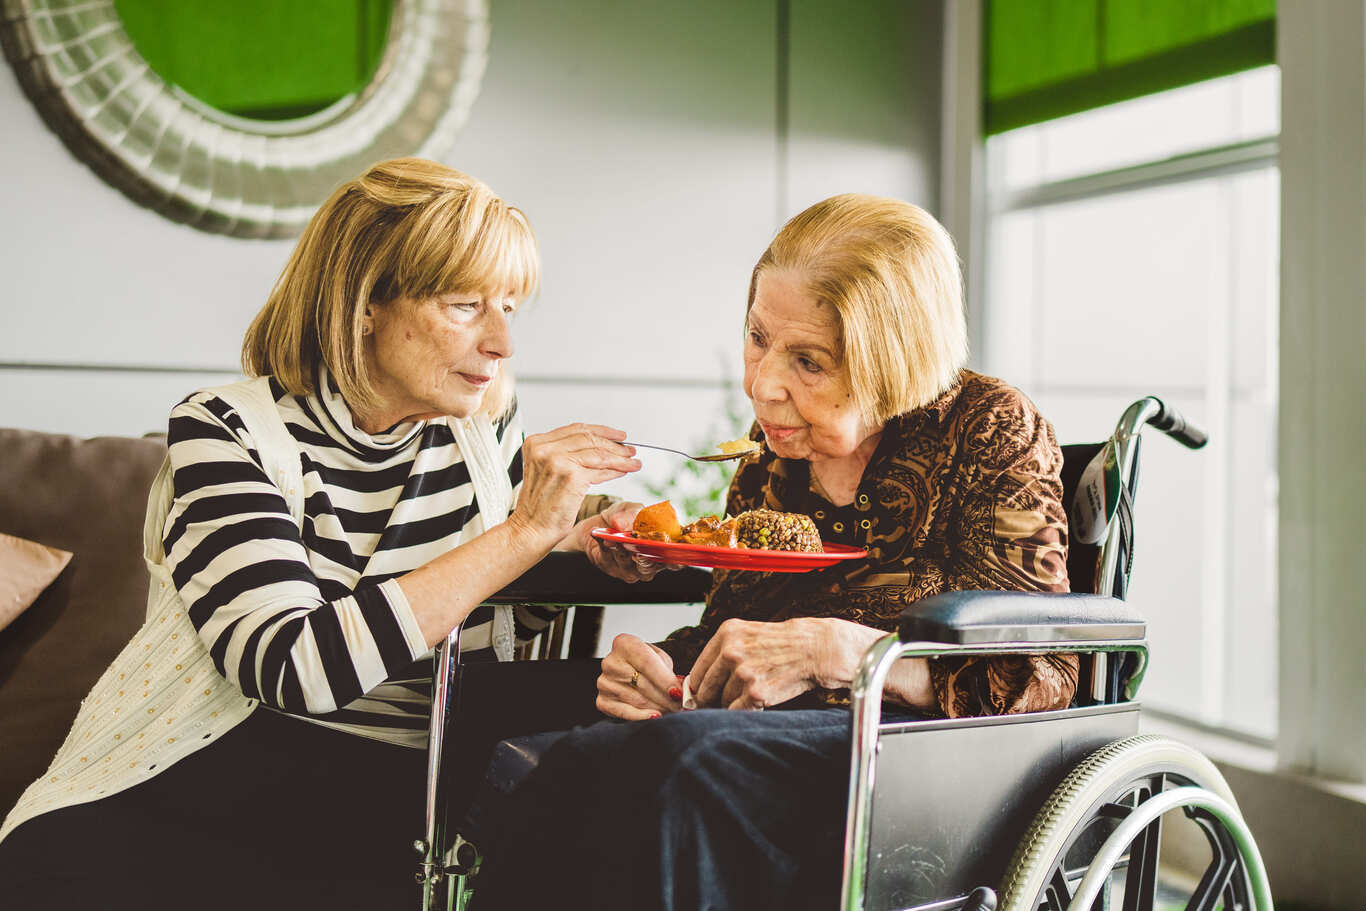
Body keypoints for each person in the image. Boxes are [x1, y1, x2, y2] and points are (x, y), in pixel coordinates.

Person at [0, 158, 654, 909]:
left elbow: (484, 611)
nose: (502, 341)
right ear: (366, 300)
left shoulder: (481, 423)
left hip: (403, 781)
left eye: (510, 305)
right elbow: (292, 667)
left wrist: (584, 546)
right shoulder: (226, 431)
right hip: (192, 780)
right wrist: (524, 534)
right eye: (466, 304)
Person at [469, 194, 1074, 910]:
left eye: (808, 361)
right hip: (757, 736)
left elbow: (1042, 668)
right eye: (758, 338)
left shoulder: (990, 428)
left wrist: (844, 652)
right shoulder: (770, 463)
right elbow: (735, 626)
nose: (762, 384)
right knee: (533, 724)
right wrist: (659, 667)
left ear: (895, 357)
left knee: (667, 763)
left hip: (914, 755)